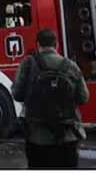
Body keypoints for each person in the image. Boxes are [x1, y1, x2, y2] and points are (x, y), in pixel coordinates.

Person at [12, 29, 89, 168]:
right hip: (67, 135)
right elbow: (83, 98)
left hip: (37, 137)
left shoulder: (28, 64)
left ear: (37, 44)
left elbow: (17, 95)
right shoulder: (70, 65)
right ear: (56, 44)